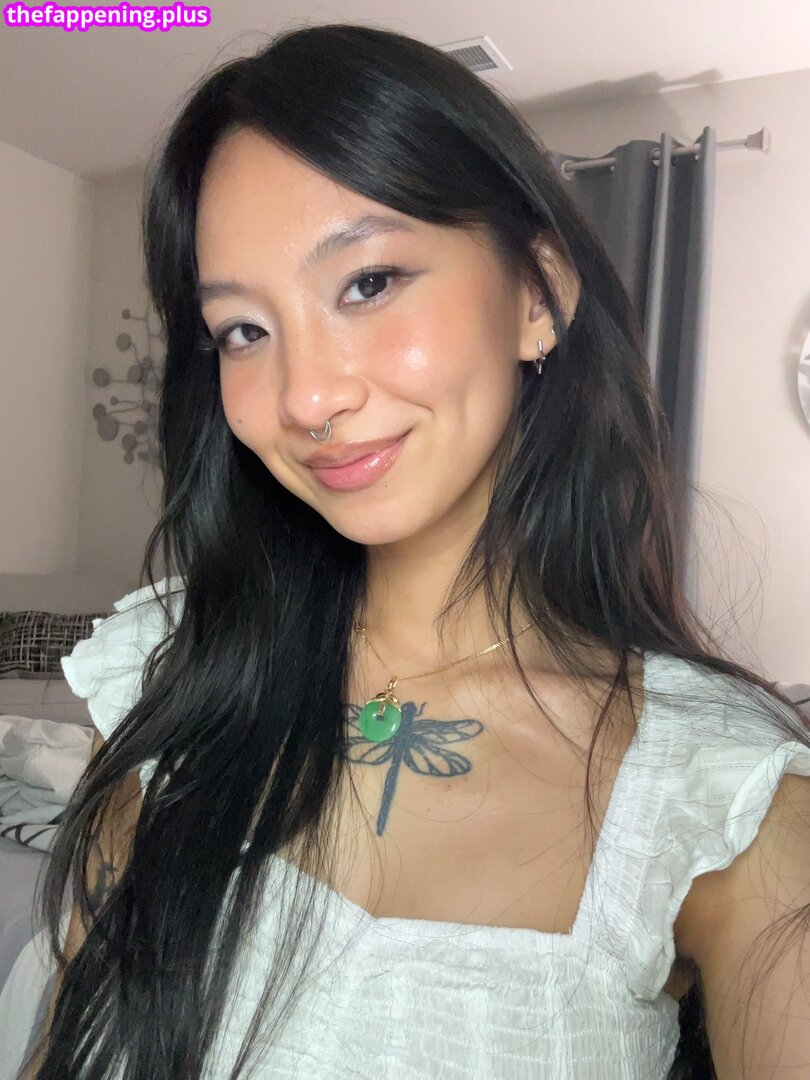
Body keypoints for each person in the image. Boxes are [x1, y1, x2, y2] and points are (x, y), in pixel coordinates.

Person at [20, 22, 810, 1080]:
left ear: (537, 293)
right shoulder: (176, 673)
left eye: (369, 283)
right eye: (244, 331)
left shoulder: (721, 794)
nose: (306, 398)